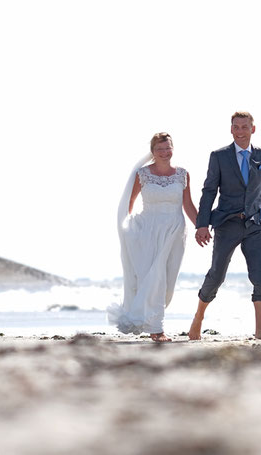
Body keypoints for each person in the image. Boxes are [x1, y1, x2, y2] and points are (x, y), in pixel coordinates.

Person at [189, 111, 261, 340]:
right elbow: (209, 191)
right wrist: (202, 224)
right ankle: (198, 317)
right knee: (217, 275)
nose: (240, 131)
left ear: (253, 129)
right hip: (227, 223)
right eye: (236, 127)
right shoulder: (219, 156)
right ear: (231, 129)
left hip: (255, 224)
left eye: (244, 127)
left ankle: (259, 330)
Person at [108, 132, 198, 342]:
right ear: (152, 152)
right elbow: (129, 203)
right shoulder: (142, 174)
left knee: (167, 283)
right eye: (160, 149)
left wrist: (201, 227)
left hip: (175, 231)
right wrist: (126, 230)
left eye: (168, 148)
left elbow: (188, 205)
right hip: (146, 231)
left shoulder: (183, 174)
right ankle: (157, 330)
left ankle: (149, 318)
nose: (165, 153)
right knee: (155, 277)